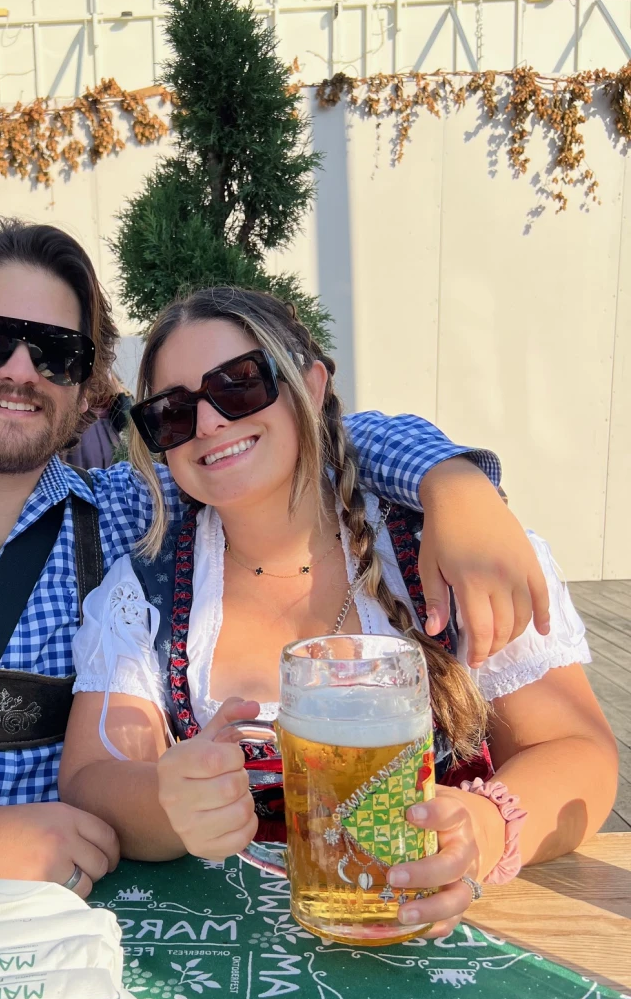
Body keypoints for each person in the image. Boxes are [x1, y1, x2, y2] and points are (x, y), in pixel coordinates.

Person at [0, 221, 551, 897]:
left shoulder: (135, 510)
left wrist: (450, 482)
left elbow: (294, 444)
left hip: (83, 920)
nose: (21, 369)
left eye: (56, 351)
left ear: (86, 386)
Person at [59, 287, 618, 932]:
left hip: (446, 938)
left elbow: (579, 751)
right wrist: (169, 802)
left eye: (238, 384)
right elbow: (92, 777)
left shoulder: (433, 554)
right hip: (245, 963)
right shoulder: (146, 588)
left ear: (312, 385)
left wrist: (484, 830)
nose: (209, 423)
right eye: (173, 413)